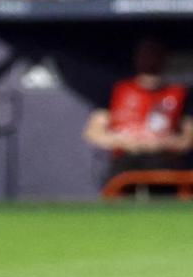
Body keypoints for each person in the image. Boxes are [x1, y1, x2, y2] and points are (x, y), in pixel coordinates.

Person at [82, 39, 193, 182]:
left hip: (162, 161)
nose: (150, 59)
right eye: (145, 53)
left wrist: (162, 143)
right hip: (125, 159)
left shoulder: (179, 93)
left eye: (155, 53)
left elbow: (188, 137)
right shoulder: (117, 90)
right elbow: (94, 132)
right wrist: (126, 141)